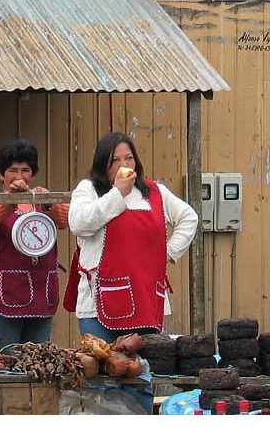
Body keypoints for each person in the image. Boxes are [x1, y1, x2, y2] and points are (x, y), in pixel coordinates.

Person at [63, 132, 198, 414]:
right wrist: (117, 194)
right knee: (102, 380)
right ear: (103, 165)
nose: (124, 164)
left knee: (140, 377)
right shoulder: (88, 190)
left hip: (145, 301)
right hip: (99, 304)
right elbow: (79, 223)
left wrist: (169, 253)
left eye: (129, 158)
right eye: (115, 160)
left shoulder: (154, 192)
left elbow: (189, 217)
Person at [0, 139, 69, 353]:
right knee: (8, 359)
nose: (19, 176)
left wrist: (49, 201)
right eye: (12, 170)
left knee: (39, 360)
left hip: (41, 292)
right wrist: (11, 199)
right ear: (2, 174)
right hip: (6, 293)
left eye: (25, 170)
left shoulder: (41, 199)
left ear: (32, 174)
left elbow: (64, 220)